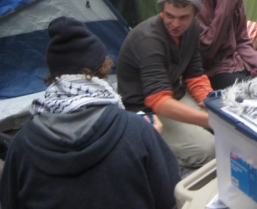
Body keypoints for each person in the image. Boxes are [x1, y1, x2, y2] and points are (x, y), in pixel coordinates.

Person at [0, 17, 180, 209]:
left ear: (53, 77)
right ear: (103, 69)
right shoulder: (137, 131)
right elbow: (169, 197)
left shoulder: (22, 145)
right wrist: (150, 138)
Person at [117, 0, 215, 172]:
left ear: (195, 14)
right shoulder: (149, 40)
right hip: (144, 107)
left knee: (226, 127)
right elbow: (158, 100)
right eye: (169, 16)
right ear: (162, 9)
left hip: (172, 93)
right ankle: (156, 157)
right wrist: (208, 119)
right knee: (210, 149)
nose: (176, 24)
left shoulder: (193, 27)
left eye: (184, 17)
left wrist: (211, 101)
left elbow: (194, 73)